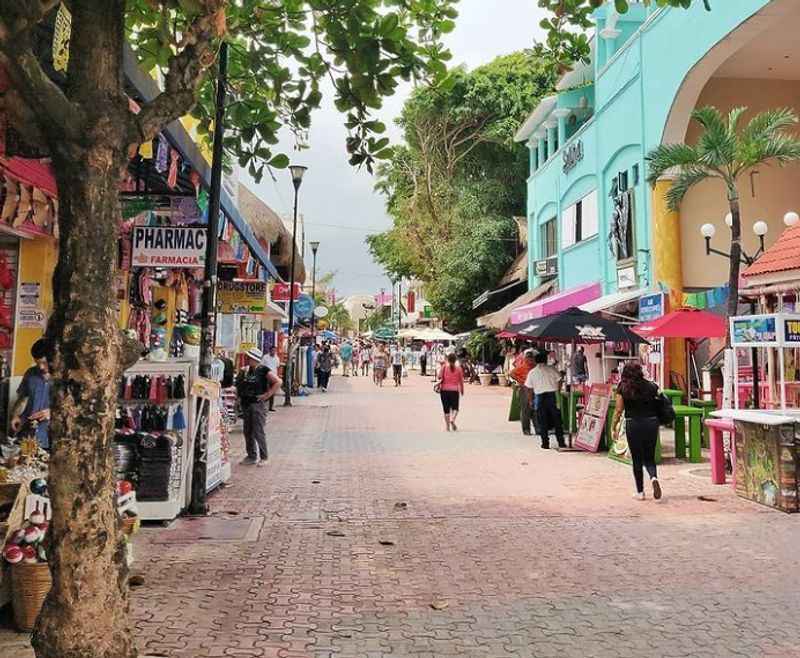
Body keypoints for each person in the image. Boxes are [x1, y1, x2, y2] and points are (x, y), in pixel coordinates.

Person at [611, 362, 662, 501]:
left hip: (633, 424)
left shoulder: (623, 387)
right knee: (649, 457)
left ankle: (640, 492)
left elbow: (618, 410)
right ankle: (653, 478)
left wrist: (613, 426)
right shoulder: (651, 386)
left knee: (637, 459)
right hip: (651, 423)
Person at [235, 348, 282, 466]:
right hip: (246, 404)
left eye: (250, 358)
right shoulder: (245, 371)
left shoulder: (263, 370)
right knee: (248, 431)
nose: (248, 360)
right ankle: (251, 455)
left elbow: (278, 382)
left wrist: (267, 395)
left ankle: (264, 456)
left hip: (257, 405)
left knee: (258, 431)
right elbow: (238, 386)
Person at [11, 339, 52, 450]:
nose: (41, 367)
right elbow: (22, 399)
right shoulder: (30, 373)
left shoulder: (63, 377)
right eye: (38, 363)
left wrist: (50, 413)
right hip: (27, 434)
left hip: (50, 437)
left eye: (44, 363)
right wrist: (15, 415)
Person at [525, 351, 565, 449]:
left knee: (542, 421)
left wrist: (530, 400)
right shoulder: (552, 369)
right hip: (552, 396)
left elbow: (529, 388)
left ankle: (545, 443)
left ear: (535, 360)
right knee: (557, 421)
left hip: (539, 397)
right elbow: (560, 379)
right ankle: (561, 442)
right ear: (546, 360)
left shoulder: (532, 372)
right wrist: (558, 390)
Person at [510, 349, 536, 436]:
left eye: (532, 358)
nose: (531, 360)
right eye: (529, 358)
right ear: (525, 359)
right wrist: (521, 380)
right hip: (524, 388)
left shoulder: (535, 366)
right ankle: (526, 429)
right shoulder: (522, 367)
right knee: (525, 409)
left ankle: (538, 428)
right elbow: (512, 373)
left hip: (534, 389)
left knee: (535, 409)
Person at [437, 352, 464, 432]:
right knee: (455, 408)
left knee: (446, 409)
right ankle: (453, 419)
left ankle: (447, 427)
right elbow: (461, 381)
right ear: (455, 360)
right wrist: (462, 390)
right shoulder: (459, 369)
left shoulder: (444, 367)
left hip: (444, 390)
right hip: (454, 391)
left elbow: (439, 376)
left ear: (448, 360)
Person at [260, 346, 280, 412]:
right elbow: (261, 366)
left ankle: (271, 407)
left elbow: (277, 367)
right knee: (266, 391)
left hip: (274, 377)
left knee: (272, 392)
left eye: (274, 351)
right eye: (272, 350)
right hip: (266, 376)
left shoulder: (277, 358)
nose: (273, 352)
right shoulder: (265, 357)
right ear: (270, 350)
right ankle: (264, 406)